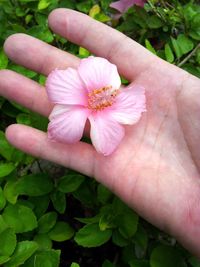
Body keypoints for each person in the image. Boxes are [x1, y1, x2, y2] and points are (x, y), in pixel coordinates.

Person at [0, 8, 200, 257]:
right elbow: (74, 106)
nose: (107, 94)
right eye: (104, 94)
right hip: (80, 106)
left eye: (109, 93)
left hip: (100, 116)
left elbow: (113, 100)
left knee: (108, 100)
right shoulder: (72, 98)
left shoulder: (114, 102)